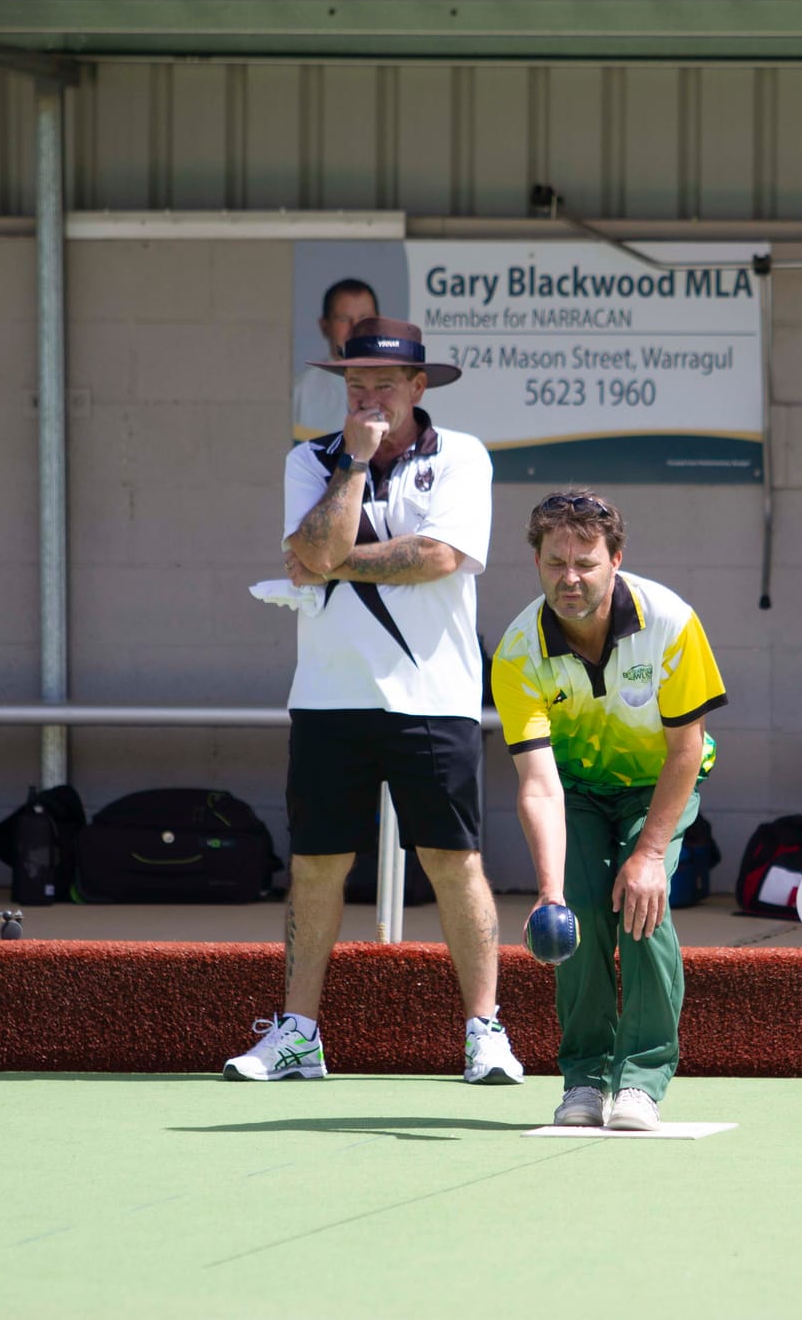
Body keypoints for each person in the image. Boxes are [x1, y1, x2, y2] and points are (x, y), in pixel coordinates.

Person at [226, 316, 522, 1086]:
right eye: (354, 385)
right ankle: (297, 1033)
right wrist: (352, 464)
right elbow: (319, 545)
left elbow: (438, 557)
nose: (367, 398)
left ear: (419, 387)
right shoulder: (312, 458)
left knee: (454, 862)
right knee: (318, 864)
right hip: (329, 697)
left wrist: (327, 560)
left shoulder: (463, 456)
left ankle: (484, 1030)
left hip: (437, 693)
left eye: (383, 384)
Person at [490, 491, 728, 1131]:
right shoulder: (517, 652)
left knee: (641, 902)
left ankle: (642, 1082)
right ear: (536, 563)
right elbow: (538, 784)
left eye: (586, 562)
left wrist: (649, 854)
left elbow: (687, 747)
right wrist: (547, 892)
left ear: (615, 559)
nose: (570, 578)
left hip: (659, 782)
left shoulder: (671, 623)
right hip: (576, 789)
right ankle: (585, 1081)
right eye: (554, 562)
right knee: (580, 907)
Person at [291, 278, 380, 442]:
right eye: (343, 319)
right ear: (325, 326)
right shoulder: (301, 391)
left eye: (364, 318)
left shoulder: (399, 388)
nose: (355, 328)